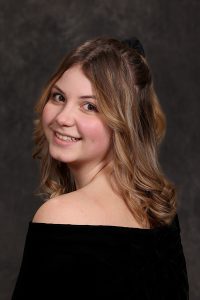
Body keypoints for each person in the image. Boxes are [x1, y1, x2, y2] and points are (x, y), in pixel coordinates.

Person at [12, 36, 189, 299]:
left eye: (90, 106)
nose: (63, 118)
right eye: (59, 97)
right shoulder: (158, 211)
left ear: (123, 124)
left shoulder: (59, 215)